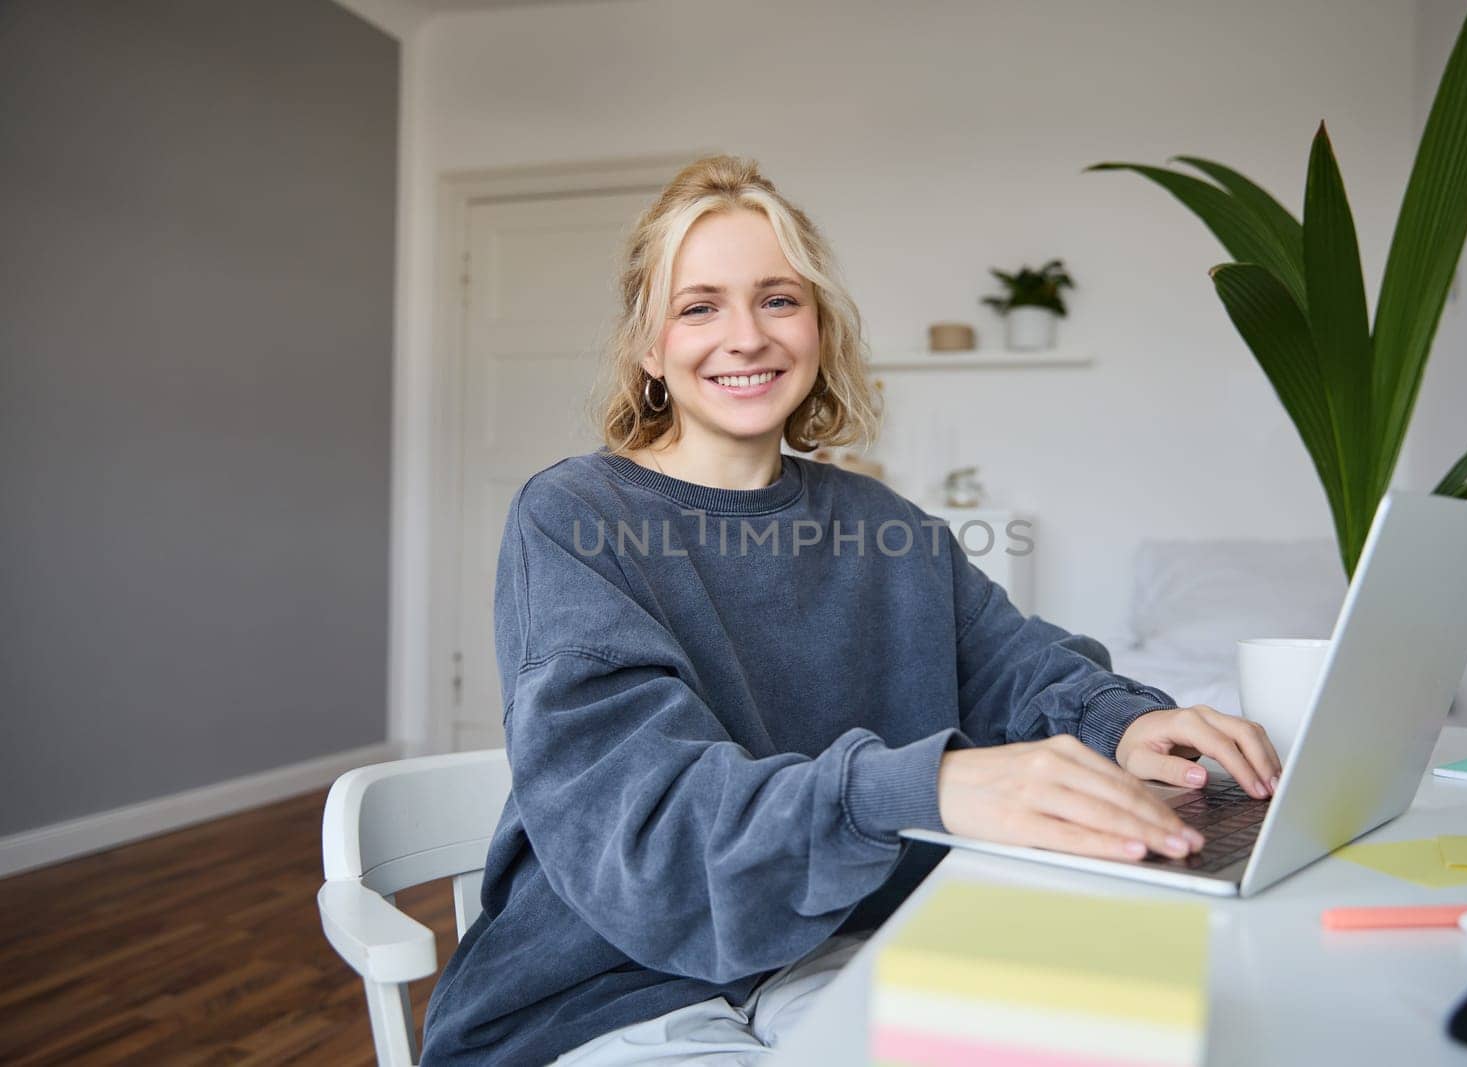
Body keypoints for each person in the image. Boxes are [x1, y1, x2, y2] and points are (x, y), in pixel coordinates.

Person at [419, 155, 1282, 1066]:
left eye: (779, 299)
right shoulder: (576, 516)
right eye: (699, 305)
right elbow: (651, 827)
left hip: (831, 946)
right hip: (607, 984)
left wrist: (1130, 719)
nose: (745, 337)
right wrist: (929, 785)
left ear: (820, 327)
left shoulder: (888, 525)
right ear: (648, 346)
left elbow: (1019, 665)